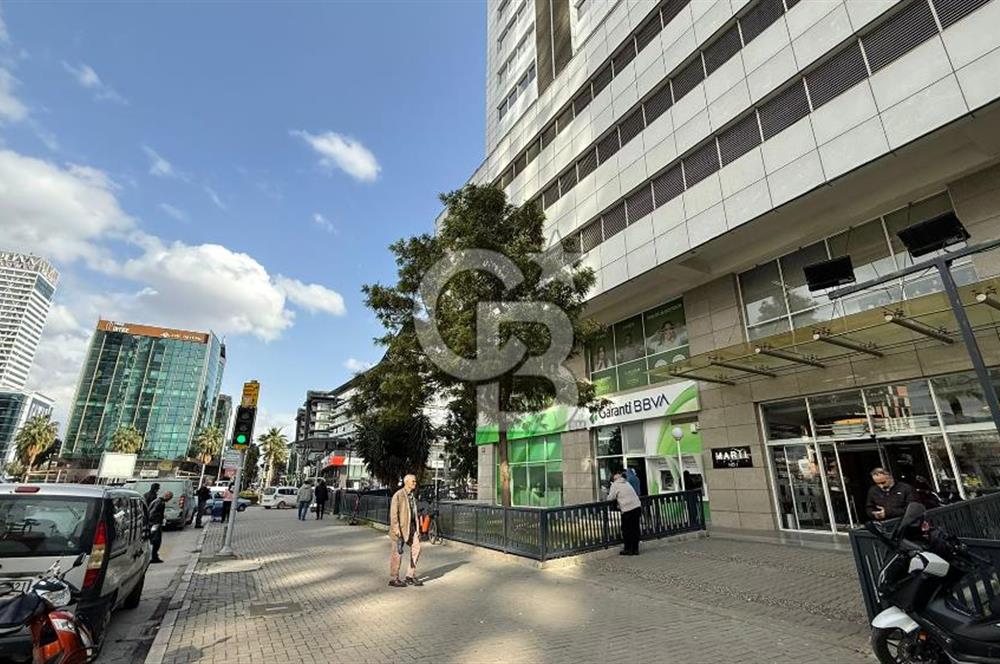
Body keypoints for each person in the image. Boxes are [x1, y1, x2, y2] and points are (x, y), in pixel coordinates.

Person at [388, 474, 423, 587]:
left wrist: (418, 529)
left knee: (417, 548)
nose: (415, 483)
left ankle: (410, 576)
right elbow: (393, 515)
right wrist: (396, 529)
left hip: (411, 528)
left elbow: (415, 514)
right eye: (413, 481)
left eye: (415, 481)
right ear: (406, 482)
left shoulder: (412, 496)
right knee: (397, 553)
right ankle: (394, 578)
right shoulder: (398, 495)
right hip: (399, 529)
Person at [608, 471, 642, 556]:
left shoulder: (615, 485)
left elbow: (611, 498)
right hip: (637, 507)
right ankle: (635, 549)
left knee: (626, 530)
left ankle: (628, 549)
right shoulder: (626, 483)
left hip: (627, 509)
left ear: (613, 479)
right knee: (635, 529)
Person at [148, 490, 173, 563]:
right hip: (155, 523)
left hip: (154, 523)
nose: (169, 500)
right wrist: (156, 522)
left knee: (154, 540)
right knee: (156, 540)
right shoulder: (160, 502)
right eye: (170, 498)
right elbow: (153, 512)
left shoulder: (156, 501)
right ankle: (154, 557)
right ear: (167, 496)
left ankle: (154, 556)